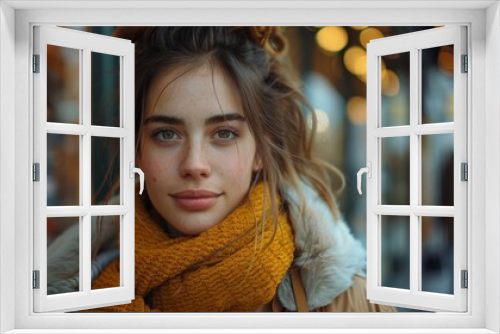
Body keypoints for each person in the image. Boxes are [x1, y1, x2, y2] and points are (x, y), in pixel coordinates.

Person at [48, 26, 395, 313]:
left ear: (260, 148)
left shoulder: (352, 306)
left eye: (224, 134)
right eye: (166, 134)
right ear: (137, 150)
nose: (194, 164)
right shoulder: (71, 301)